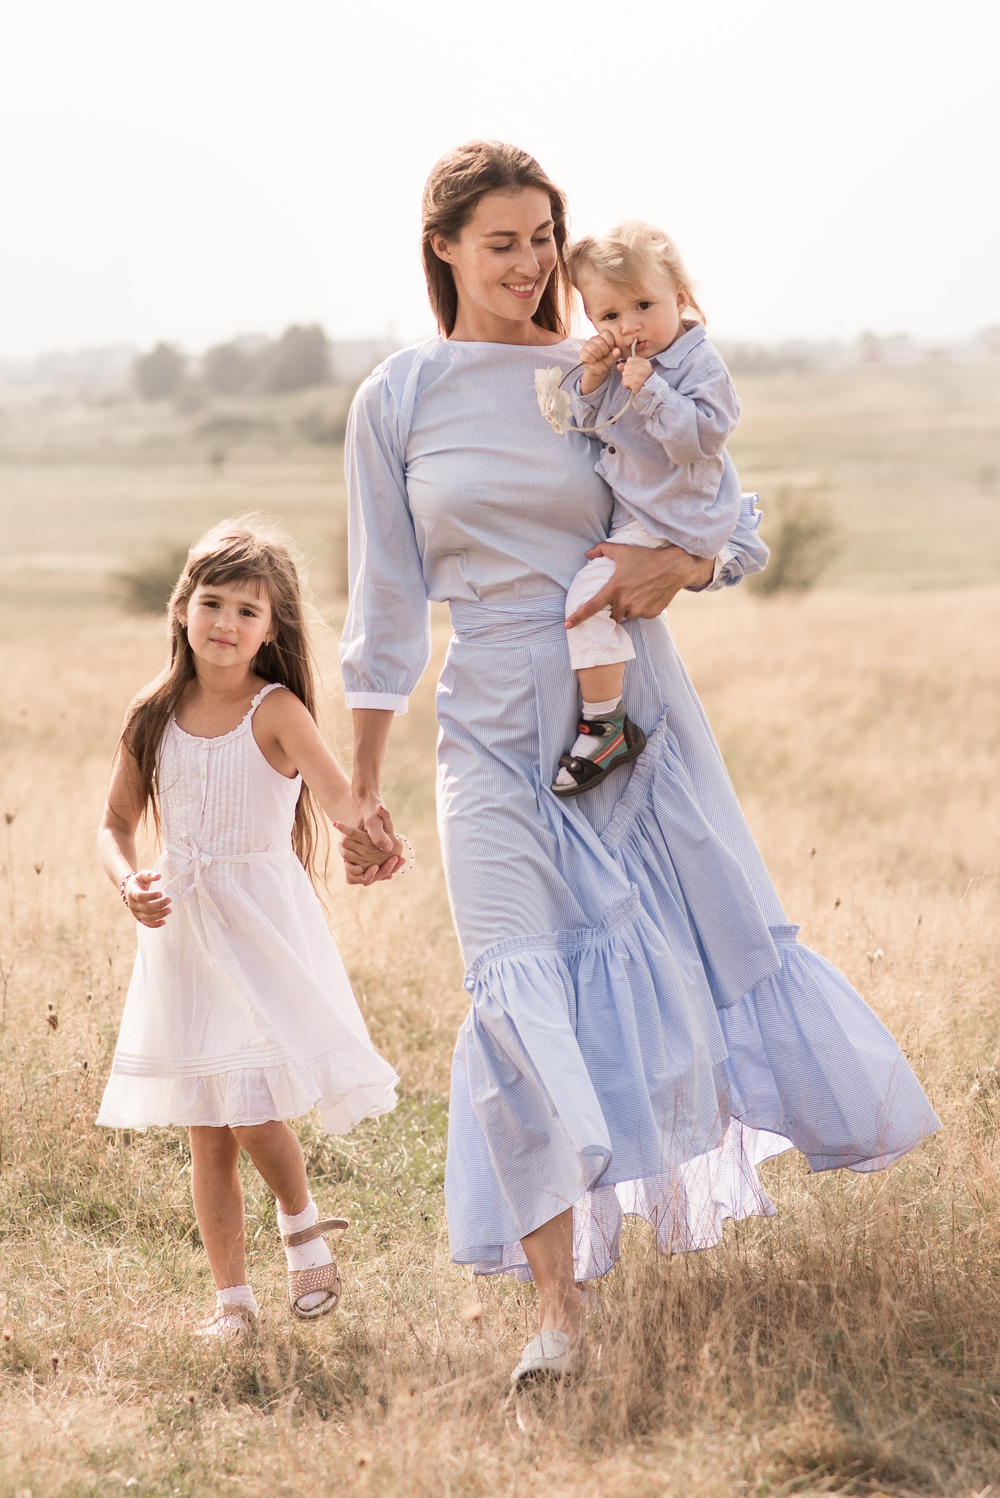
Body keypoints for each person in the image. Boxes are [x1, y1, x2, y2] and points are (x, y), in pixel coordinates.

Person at [339, 142, 939, 1388]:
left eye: (543, 235)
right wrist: (360, 784)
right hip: (489, 723)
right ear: (442, 246)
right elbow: (385, 605)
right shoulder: (398, 396)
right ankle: (555, 1310)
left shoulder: (602, 366)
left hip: (629, 714)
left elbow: (731, 512)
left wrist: (683, 569)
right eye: (500, 240)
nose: (530, 262)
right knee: (512, 983)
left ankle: (638, 1239)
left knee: (671, 953)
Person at [96, 517, 400, 1337]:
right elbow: (115, 825)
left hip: (260, 931)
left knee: (251, 1108)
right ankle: (232, 1302)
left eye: (248, 612)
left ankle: (299, 1222)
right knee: (208, 1128)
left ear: (272, 629)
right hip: (183, 936)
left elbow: (340, 799)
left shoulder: (277, 710)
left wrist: (369, 829)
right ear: (183, 608)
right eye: (213, 602)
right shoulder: (153, 710)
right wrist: (129, 883)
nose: (226, 624)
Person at [549, 222, 747, 798]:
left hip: (674, 516)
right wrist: (591, 378)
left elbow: (699, 440)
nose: (628, 326)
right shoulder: (624, 360)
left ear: (680, 298)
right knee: (596, 599)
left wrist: (650, 389)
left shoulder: (697, 364)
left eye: (643, 305)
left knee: (588, 600)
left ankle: (605, 723)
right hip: (641, 512)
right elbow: (590, 426)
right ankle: (610, 714)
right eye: (609, 316)